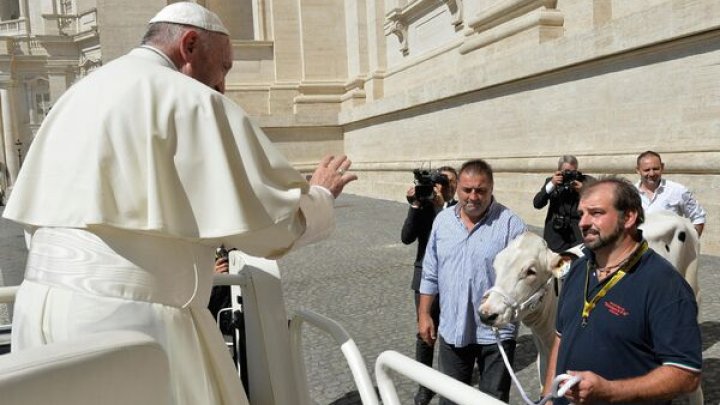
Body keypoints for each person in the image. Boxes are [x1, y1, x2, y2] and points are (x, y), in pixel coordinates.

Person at [2, 3, 357, 405]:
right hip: (128, 324)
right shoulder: (190, 99)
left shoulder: (75, 95)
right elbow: (271, 226)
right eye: (224, 67)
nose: (223, 85)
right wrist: (321, 196)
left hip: (37, 315)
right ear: (190, 45)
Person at [543, 176, 701, 404]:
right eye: (581, 214)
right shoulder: (578, 268)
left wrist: (609, 391)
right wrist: (548, 398)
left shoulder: (665, 284)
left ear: (628, 217)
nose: (583, 223)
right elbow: (560, 340)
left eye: (596, 213)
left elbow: (686, 375)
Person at [418, 159, 526, 403]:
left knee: (493, 400)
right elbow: (430, 272)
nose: (473, 197)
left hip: (496, 333)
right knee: (450, 399)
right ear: (457, 188)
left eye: (481, 190)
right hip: (453, 329)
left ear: (491, 188)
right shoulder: (442, 222)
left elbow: (525, 278)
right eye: (467, 190)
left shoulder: (511, 225)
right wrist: (424, 314)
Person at [400, 165, 457, 405]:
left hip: (453, 278)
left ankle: (449, 382)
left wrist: (443, 205)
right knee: (425, 332)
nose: (445, 186)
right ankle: (425, 386)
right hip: (425, 278)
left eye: (449, 182)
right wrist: (415, 205)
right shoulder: (423, 206)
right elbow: (406, 237)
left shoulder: (460, 210)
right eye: (441, 181)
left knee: (451, 332)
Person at [635, 150, 706, 237]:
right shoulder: (630, 194)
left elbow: (698, 217)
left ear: (662, 167)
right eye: (647, 170)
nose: (652, 173)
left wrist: (690, 245)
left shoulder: (677, 191)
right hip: (640, 248)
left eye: (655, 169)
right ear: (638, 170)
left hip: (669, 249)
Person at [533, 155, 589, 253]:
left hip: (577, 237)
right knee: (556, 266)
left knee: (577, 265)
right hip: (556, 235)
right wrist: (552, 184)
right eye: (567, 172)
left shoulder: (585, 181)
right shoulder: (551, 181)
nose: (570, 174)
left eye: (573, 171)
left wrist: (584, 190)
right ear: (559, 171)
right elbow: (537, 204)